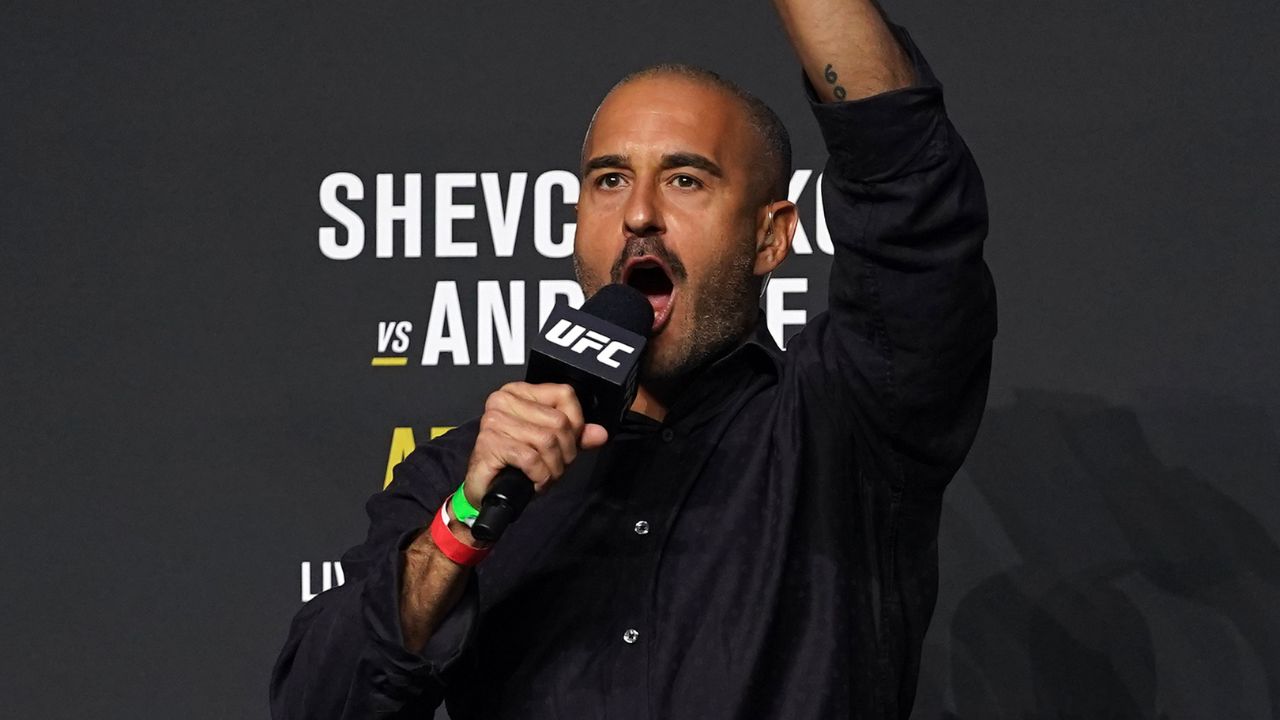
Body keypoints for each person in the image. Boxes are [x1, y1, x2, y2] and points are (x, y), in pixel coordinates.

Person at [271, 0, 996, 717]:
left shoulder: (845, 428)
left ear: (770, 239)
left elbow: (908, 190)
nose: (640, 213)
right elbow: (318, 706)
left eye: (686, 179)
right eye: (610, 180)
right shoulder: (461, 476)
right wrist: (463, 524)